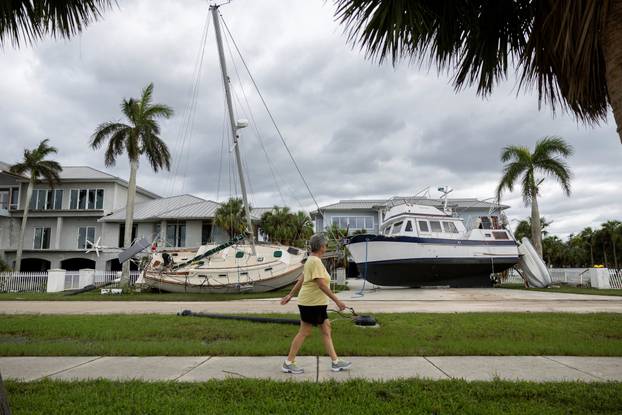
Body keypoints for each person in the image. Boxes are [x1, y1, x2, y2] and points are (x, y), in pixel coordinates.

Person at [280, 233, 352, 374]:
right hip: (311, 304)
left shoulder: (311, 260)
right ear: (320, 247)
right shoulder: (315, 262)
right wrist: (337, 301)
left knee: (326, 329)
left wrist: (290, 294)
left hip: (314, 303)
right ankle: (288, 362)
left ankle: (335, 362)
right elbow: (321, 285)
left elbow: (302, 279)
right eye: (325, 245)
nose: (326, 247)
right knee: (304, 332)